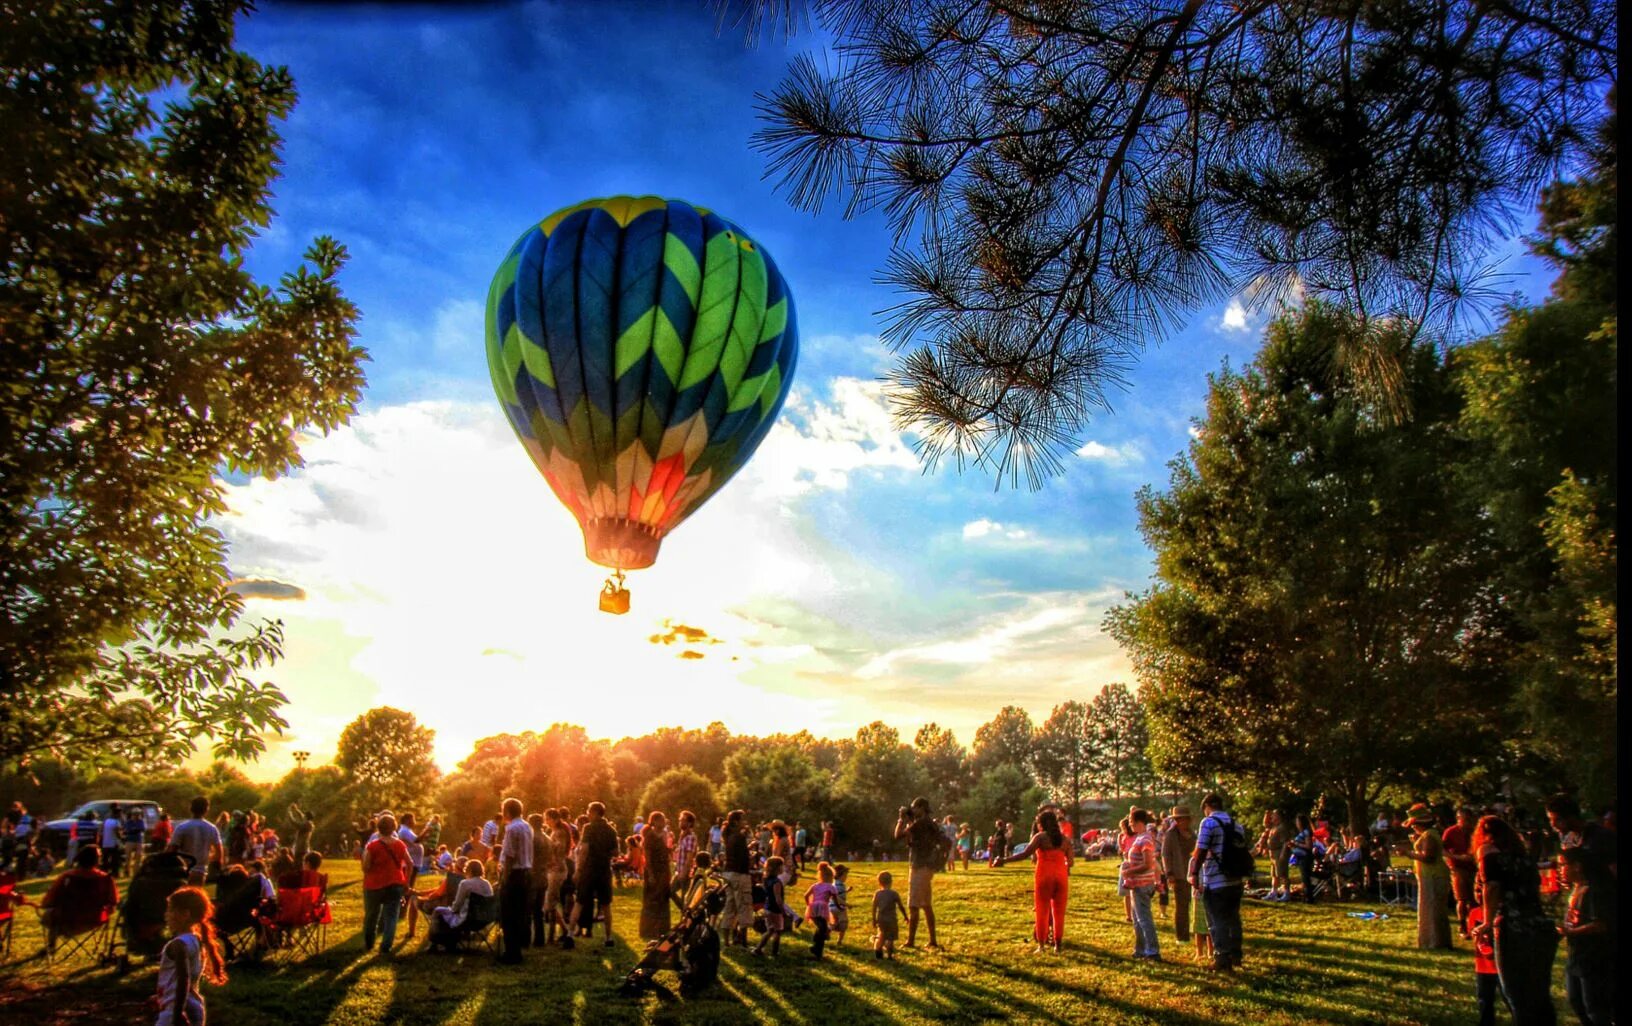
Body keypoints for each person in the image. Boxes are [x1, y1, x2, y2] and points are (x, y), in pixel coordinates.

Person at [1473, 814, 1557, 1025]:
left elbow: (1492, 887)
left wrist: (1487, 921)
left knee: (1516, 994)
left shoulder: (1488, 852)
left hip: (1512, 926)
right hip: (1540, 925)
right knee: (1540, 994)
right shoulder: (1524, 857)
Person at [151, 887, 226, 1026]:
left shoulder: (178, 945)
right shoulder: (196, 940)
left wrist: (177, 1012)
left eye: (170, 910)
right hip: (194, 1006)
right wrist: (161, 997)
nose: (166, 915)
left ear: (185, 914)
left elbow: (183, 979)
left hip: (176, 1011)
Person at [1556, 847, 1614, 1026]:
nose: (1560, 870)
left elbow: (1600, 925)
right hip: (1576, 955)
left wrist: (1572, 932)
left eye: (1563, 865)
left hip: (1593, 958)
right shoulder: (1576, 890)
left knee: (1595, 1007)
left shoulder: (1593, 891)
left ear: (1577, 866)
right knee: (1575, 1000)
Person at [1190, 792, 1246, 972]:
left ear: (1207, 807)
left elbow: (1200, 851)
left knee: (1216, 920)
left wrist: (1194, 873)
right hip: (1235, 879)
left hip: (1215, 880)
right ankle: (1236, 955)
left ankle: (1222, 958)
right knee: (1234, 919)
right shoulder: (1236, 825)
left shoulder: (1209, 823)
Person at [360, 811, 411, 956]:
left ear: (378, 828)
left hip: (373, 885)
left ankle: (369, 944)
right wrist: (406, 882)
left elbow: (365, 867)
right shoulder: (400, 845)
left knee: (371, 915)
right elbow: (409, 863)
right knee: (391, 916)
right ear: (394, 828)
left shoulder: (372, 846)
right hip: (395, 884)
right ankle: (386, 946)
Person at [895, 796, 942, 949]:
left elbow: (898, 835)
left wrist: (901, 819)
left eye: (914, 807)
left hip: (919, 866)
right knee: (926, 905)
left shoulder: (921, 823)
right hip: (927, 866)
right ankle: (932, 940)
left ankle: (910, 941)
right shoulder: (929, 823)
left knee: (914, 905)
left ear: (921, 808)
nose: (912, 810)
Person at [570, 801, 619, 948]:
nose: (587, 814)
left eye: (589, 811)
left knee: (579, 902)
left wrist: (578, 870)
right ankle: (609, 937)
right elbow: (616, 852)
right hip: (604, 870)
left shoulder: (588, 828)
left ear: (595, 812)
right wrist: (604, 853)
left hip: (589, 870)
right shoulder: (611, 830)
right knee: (606, 905)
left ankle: (569, 935)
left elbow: (584, 850)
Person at [1404, 804, 1452, 949]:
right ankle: (1433, 940)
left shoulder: (1430, 835)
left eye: (1414, 824)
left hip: (1433, 875)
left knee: (1433, 909)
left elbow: (1429, 857)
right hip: (1427, 875)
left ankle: (1434, 942)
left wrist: (1407, 853)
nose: (1413, 827)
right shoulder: (1427, 835)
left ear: (1420, 823)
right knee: (1430, 908)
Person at [1028, 809, 1073, 954]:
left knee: (1042, 910)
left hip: (1044, 875)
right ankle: (1057, 945)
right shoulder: (1065, 840)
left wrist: (1004, 859)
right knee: (1059, 912)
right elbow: (1071, 862)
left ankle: (1041, 945)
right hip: (1061, 876)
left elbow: (1025, 853)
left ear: (1041, 824)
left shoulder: (1040, 837)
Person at [495, 797, 532, 964]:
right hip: (525, 872)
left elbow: (509, 856)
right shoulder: (527, 826)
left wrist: (504, 877)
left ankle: (512, 953)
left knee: (508, 914)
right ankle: (519, 947)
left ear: (507, 811)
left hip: (514, 874)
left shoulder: (511, 829)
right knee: (520, 913)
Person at [1121, 808, 1161, 960]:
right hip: (1136, 884)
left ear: (1138, 822)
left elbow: (1147, 863)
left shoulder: (1145, 839)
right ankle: (1141, 949)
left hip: (1142, 884)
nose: (1130, 825)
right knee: (1137, 919)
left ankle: (1153, 951)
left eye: (1131, 822)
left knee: (1144, 918)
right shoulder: (1140, 838)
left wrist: (1129, 871)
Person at [428, 859, 494, 951]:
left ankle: (436, 944)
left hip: (467, 919)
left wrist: (451, 909)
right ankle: (450, 943)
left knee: (439, 911)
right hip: (484, 919)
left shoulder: (465, 883)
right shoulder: (487, 884)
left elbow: (457, 905)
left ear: (469, 870)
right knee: (448, 914)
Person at [718, 809, 754, 947]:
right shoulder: (739, 837)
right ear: (736, 821)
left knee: (729, 906)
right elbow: (744, 859)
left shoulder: (729, 836)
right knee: (744, 905)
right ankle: (743, 941)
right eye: (742, 819)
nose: (745, 822)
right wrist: (751, 855)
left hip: (728, 873)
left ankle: (726, 941)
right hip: (740, 874)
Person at [167, 797, 223, 885]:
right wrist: (208, 859)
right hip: (201, 871)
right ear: (206, 810)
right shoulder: (212, 828)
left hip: (183, 870)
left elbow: (171, 850)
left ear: (191, 808)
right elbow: (219, 854)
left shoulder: (182, 827)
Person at [1467, 878, 1500, 1026]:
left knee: (1510, 998)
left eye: (1482, 890)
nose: (1479, 894)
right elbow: (1474, 940)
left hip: (1500, 966)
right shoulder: (1474, 913)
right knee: (1485, 1000)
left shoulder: (1500, 915)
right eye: (1477, 891)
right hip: (1483, 966)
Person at [1443, 806, 1480, 936]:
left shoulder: (1476, 831)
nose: (1466, 822)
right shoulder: (1451, 832)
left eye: (1469, 819)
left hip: (1475, 867)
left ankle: (1475, 923)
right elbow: (1443, 850)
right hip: (1458, 868)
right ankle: (1463, 925)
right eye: (1463, 819)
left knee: (1475, 899)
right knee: (1462, 899)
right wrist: (1456, 857)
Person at [1162, 805, 1195, 944]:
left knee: (1193, 905)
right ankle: (1182, 936)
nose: (1182, 822)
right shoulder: (1171, 834)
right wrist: (1169, 873)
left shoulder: (1192, 834)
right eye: (1179, 819)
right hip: (1179, 875)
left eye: (1185, 819)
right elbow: (1165, 855)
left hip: (1193, 874)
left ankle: (1201, 935)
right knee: (1181, 908)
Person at [640, 810, 672, 941]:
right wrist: (651, 875)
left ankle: (663, 929)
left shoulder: (665, 835)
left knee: (663, 900)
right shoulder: (649, 836)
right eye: (661, 820)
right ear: (654, 821)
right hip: (654, 872)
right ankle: (649, 930)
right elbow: (647, 858)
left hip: (664, 871)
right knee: (652, 900)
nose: (664, 822)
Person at [751, 855, 787, 958]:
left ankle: (758, 949)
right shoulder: (777, 882)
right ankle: (774, 952)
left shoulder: (766, 879)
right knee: (778, 931)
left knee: (769, 930)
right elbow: (778, 899)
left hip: (767, 907)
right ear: (778, 868)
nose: (783, 868)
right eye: (782, 866)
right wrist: (783, 911)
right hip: (775, 910)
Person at [805, 861, 839, 959]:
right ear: (831, 876)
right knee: (823, 928)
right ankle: (817, 948)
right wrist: (840, 907)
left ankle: (817, 949)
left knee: (821, 927)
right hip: (823, 908)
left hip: (813, 907)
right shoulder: (831, 887)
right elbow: (835, 900)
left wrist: (809, 904)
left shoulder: (815, 885)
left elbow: (806, 895)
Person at [1258, 809, 1292, 901]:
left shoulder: (1282, 827)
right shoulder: (1274, 826)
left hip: (1279, 852)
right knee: (1274, 875)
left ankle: (1287, 893)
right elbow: (1265, 824)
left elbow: (1286, 842)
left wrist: (1282, 854)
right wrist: (1266, 814)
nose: (1272, 816)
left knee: (1282, 874)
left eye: (1274, 815)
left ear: (1279, 816)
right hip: (1272, 853)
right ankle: (1274, 892)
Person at [872, 870, 904, 959]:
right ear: (891, 881)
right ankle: (890, 955)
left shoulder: (877, 894)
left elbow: (874, 908)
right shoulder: (894, 894)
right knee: (890, 938)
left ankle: (878, 950)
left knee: (881, 935)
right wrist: (905, 916)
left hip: (881, 918)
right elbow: (900, 906)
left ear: (879, 882)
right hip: (891, 919)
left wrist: (874, 919)